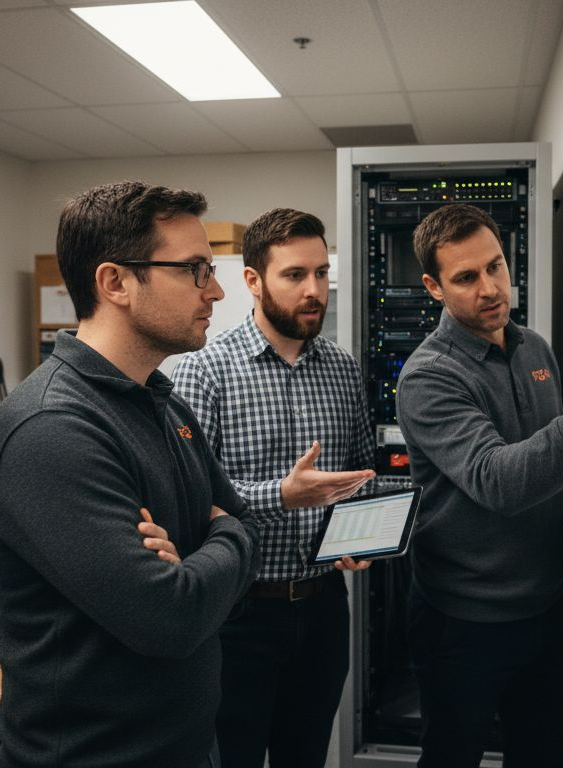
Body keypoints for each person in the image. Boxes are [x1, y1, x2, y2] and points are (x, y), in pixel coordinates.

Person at [0, 181, 261, 768]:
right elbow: (171, 618)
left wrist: (208, 549)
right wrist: (222, 536)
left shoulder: (162, 402)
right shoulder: (52, 429)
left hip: (186, 746)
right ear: (115, 283)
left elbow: (249, 529)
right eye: (195, 271)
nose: (217, 289)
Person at [395, 203, 563, 767]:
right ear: (433, 287)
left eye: (495, 266)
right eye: (466, 277)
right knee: (450, 758)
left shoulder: (535, 349)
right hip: (461, 621)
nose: (489, 288)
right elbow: (498, 480)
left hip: (543, 607)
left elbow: (550, 452)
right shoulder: (428, 377)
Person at [172, 208, 376, 768]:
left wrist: (359, 532)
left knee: (305, 757)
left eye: (321, 274)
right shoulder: (203, 370)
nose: (313, 291)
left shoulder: (342, 369)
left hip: (324, 611)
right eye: (294, 276)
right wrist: (281, 496)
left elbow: (359, 472)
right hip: (237, 616)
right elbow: (189, 503)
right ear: (254, 281)